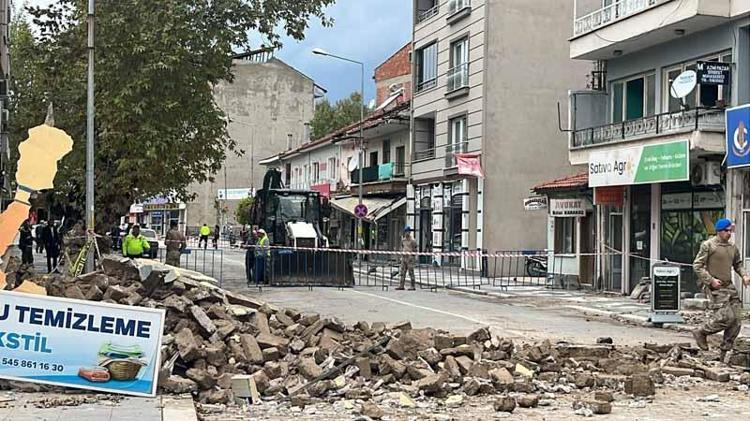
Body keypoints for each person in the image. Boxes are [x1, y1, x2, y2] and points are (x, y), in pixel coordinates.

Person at [692, 218, 750, 360]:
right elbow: (697, 265)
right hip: (715, 287)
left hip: (729, 286)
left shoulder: (732, 247)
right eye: (726, 231)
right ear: (719, 231)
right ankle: (701, 331)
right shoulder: (708, 245)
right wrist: (710, 280)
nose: (729, 233)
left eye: (730, 231)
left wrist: (744, 275)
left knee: (736, 321)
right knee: (726, 317)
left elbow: (738, 264)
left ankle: (724, 354)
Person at [397, 225, 418, 291]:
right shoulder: (403, 240)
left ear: (410, 232)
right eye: (405, 231)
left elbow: (415, 249)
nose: (406, 233)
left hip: (410, 258)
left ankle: (412, 286)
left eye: (408, 231)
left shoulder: (413, 240)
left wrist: (412, 256)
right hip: (404, 257)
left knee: (411, 272)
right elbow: (402, 247)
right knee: (402, 272)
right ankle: (401, 285)